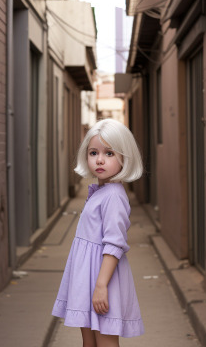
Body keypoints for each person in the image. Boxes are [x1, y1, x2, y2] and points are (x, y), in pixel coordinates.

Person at [52, 119, 144, 347]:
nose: (100, 159)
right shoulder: (101, 191)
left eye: (110, 153)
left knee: (104, 341)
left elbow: (115, 244)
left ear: (125, 157)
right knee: (89, 341)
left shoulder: (113, 196)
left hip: (102, 279)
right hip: (87, 278)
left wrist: (101, 286)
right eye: (93, 152)